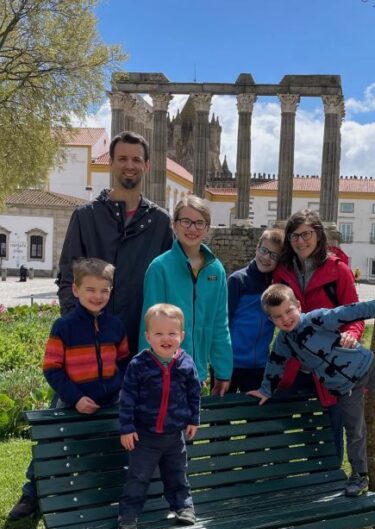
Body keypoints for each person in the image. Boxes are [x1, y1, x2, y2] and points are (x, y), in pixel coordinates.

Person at [248, 284, 375, 497]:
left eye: (288, 310)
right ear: (271, 320)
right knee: (355, 430)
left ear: (299, 306)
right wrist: (266, 390)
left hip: (366, 366)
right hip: (343, 388)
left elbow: (352, 311)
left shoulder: (318, 319)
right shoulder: (284, 342)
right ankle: (359, 475)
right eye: (277, 317)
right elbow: (275, 364)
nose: (285, 319)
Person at [8, 258, 130, 520]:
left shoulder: (116, 326)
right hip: (71, 401)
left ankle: (99, 494)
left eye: (104, 291)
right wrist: (75, 398)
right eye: (90, 290)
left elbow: (123, 362)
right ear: (76, 290)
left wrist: (114, 387)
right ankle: (32, 494)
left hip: (109, 402)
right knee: (52, 448)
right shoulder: (64, 327)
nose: (97, 296)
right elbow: (52, 368)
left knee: (106, 448)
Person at [57, 131, 173, 353]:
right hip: (93, 340)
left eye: (136, 159)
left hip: (143, 344)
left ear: (146, 165)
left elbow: (170, 284)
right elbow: (68, 278)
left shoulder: (160, 222)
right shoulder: (86, 217)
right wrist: (78, 327)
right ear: (111, 162)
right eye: (122, 158)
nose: (129, 165)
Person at [272, 209, 359, 463]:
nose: (300, 241)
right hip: (294, 367)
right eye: (294, 236)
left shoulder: (339, 271)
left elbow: (353, 313)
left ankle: (330, 484)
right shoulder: (282, 272)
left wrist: (351, 334)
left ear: (319, 235)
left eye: (306, 234)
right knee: (292, 435)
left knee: (331, 435)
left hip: (330, 365)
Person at [117, 304, 201, 529]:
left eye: (172, 333)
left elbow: (194, 394)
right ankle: (128, 515)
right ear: (147, 337)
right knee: (138, 477)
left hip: (175, 436)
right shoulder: (139, 365)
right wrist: (126, 428)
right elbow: (127, 399)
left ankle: (183, 507)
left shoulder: (186, 363)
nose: (166, 338)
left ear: (181, 336)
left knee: (177, 474)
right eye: (159, 333)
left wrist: (193, 419)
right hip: (144, 436)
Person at [140, 195, 232, 395]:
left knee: (191, 426)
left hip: (197, 374)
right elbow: (147, 326)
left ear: (207, 228)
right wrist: (147, 373)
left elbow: (219, 324)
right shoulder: (159, 268)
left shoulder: (216, 270)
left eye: (200, 223)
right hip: (164, 373)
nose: (192, 228)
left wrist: (223, 371)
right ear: (174, 225)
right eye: (186, 221)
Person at [227, 228, 284, 393]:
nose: (266, 258)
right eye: (264, 250)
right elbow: (224, 322)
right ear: (257, 248)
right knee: (221, 416)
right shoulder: (237, 280)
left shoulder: (275, 285)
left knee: (257, 415)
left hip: (258, 365)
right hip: (230, 363)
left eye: (274, 256)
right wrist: (220, 361)